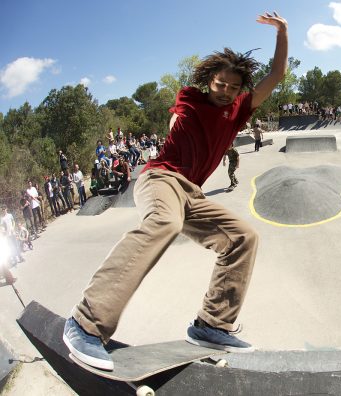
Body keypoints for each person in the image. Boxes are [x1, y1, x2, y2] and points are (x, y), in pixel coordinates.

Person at [63, 11, 288, 371]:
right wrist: (177, 124)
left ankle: (212, 325)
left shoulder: (240, 111)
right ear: (209, 81)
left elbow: (276, 75)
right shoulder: (190, 100)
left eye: (232, 87)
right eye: (219, 85)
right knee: (164, 224)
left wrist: (282, 32)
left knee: (243, 238)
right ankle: (85, 323)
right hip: (161, 180)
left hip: (193, 195)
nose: (225, 92)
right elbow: (178, 115)